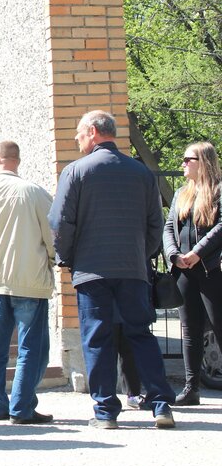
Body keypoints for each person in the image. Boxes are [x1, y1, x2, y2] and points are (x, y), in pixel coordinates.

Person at [49, 110, 176, 429]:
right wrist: (139, 255)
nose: (76, 139)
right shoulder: (141, 172)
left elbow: (61, 223)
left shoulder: (76, 172)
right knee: (141, 335)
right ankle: (161, 406)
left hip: (92, 271)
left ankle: (106, 412)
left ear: (92, 132)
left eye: (79, 133)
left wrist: (66, 257)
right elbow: (155, 225)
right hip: (133, 270)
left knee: (97, 338)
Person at [0, 141, 55, 424]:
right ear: (17, 160)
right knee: (31, 348)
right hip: (30, 281)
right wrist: (52, 261)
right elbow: (53, 237)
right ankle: (22, 407)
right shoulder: (35, 193)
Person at [163, 141, 222, 406]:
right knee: (189, 330)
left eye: (188, 159)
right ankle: (191, 389)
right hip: (183, 270)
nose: (183, 164)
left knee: (218, 325)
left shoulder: (219, 191)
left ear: (204, 162)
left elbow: (220, 227)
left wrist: (197, 252)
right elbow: (168, 226)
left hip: (211, 270)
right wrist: (174, 255)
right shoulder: (181, 193)